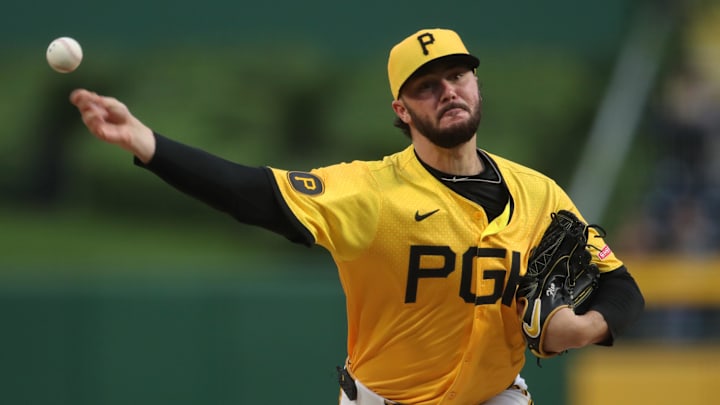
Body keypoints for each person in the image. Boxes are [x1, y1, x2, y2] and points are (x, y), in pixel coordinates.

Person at [70, 28, 644, 405]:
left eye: (457, 76)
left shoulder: (538, 194)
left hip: (495, 396)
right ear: (402, 109)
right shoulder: (369, 192)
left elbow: (620, 286)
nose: (447, 91)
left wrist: (586, 327)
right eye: (426, 86)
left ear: (476, 82)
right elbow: (253, 195)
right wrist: (147, 142)